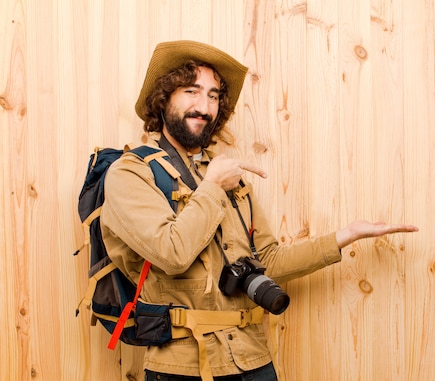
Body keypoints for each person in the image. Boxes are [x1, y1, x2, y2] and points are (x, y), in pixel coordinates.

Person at [100, 40, 418, 381]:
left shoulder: (225, 175)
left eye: (212, 96)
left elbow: (269, 259)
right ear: (164, 99)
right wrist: (213, 187)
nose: (203, 107)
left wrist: (345, 236)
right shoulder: (131, 172)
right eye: (191, 91)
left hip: (254, 361)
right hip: (181, 368)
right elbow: (172, 252)